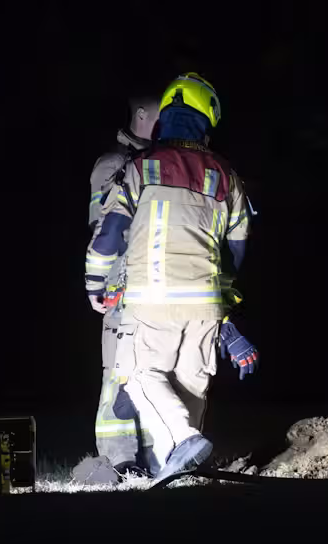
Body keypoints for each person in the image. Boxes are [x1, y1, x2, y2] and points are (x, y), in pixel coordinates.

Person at [85, 73, 260, 480]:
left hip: (150, 300)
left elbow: (109, 233)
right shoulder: (227, 176)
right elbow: (235, 253)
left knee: (136, 375)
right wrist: (225, 315)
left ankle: (180, 441)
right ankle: (178, 470)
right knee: (191, 384)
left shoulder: (141, 166)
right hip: (204, 305)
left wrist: (95, 283)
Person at [85, 93, 158, 475]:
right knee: (118, 370)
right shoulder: (113, 164)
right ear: (143, 113)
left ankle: (152, 455)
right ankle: (119, 458)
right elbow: (104, 228)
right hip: (124, 287)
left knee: (153, 370)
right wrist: (105, 282)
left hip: (156, 286)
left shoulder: (162, 160)